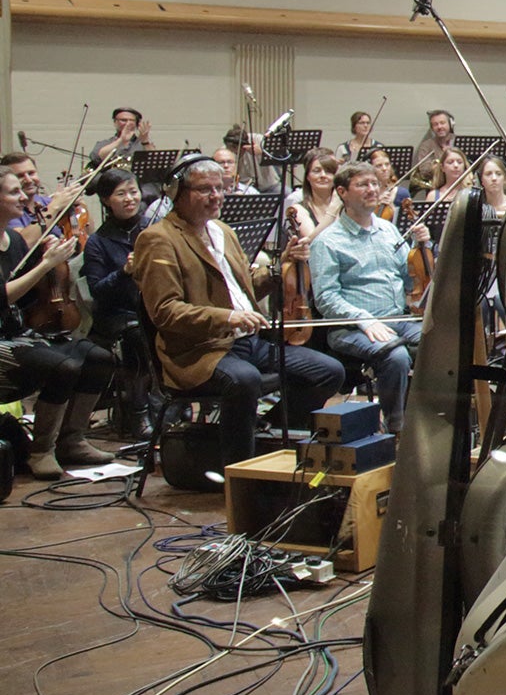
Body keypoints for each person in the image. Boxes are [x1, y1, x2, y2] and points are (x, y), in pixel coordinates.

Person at [131, 156, 345, 468]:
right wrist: (227, 317)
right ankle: (237, 470)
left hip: (246, 342)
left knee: (329, 371)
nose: (216, 196)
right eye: (205, 190)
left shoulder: (222, 231)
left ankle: (262, 436)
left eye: (220, 188)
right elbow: (165, 312)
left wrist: (279, 267)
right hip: (199, 350)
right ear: (177, 192)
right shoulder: (158, 239)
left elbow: (244, 290)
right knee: (244, 381)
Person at [0, 168, 121, 475]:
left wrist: (54, 271)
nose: (24, 196)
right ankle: (41, 450)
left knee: (99, 358)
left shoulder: (13, 240)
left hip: (20, 329)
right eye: (14, 191)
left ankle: (73, 440)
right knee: (62, 367)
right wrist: (44, 266)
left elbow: (26, 298)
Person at [311, 161, 430, 436]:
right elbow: (326, 298)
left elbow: (407, 273)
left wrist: (421, 248)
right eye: (363, 184)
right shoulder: (327, 242)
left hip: (397, 317)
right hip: (351, 327)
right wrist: (365, 320)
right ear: (342, 192)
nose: (372, 189)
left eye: (375, 183)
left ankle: (427, 418)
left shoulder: (388, 230)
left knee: (439, 343)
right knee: (397, 356)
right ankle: (396, 428)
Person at [82, 167, 154, 436]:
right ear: (105, 201)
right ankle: (139, 411)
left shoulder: (152, 230)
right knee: (138, 335)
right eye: (120, 194)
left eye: (133, 191)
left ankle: (176, 404)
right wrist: (123, 272)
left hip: (152, 305)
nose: (129, 199)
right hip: (117, 314)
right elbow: (97, 290)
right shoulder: (98, 242)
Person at [288, 148, 344, 238]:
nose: (323, 175)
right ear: (308, 177)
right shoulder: (298, 209)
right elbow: (315, 242)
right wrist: (333, 209)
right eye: (316, 171)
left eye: (329, 171)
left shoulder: (347, 207)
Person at [412, 111, 457, 183]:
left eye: (442, 123)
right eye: (435, 124)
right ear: (432, 128)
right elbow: (424, 170)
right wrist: (445, 161)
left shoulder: (458, 141)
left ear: (450, 125)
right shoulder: (426, 145)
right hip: (436, 185)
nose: (439, 127)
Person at [474, 154, 506, 219]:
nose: (494, 178)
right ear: (481, 180)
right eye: (488, 174)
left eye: (498, 174)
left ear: (505, 179)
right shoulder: (476, 208)